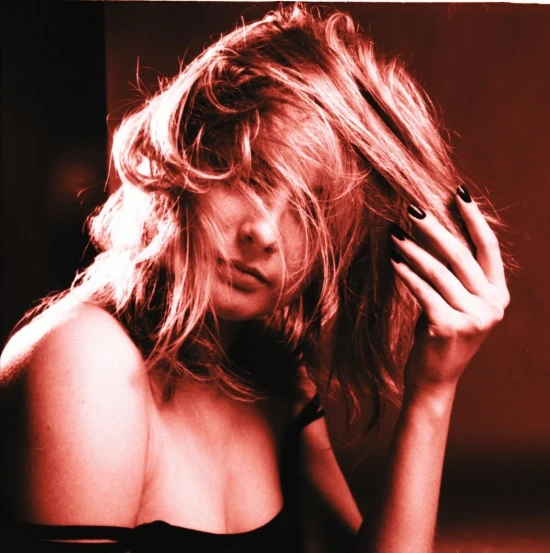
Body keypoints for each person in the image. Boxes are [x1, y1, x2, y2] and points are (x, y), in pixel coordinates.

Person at [0, 4, 510, 552]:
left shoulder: (272, 374)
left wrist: (433, 390)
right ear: (187, 159)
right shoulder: (86, 358)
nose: (265, 233)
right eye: (251, 174)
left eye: (310, 207)